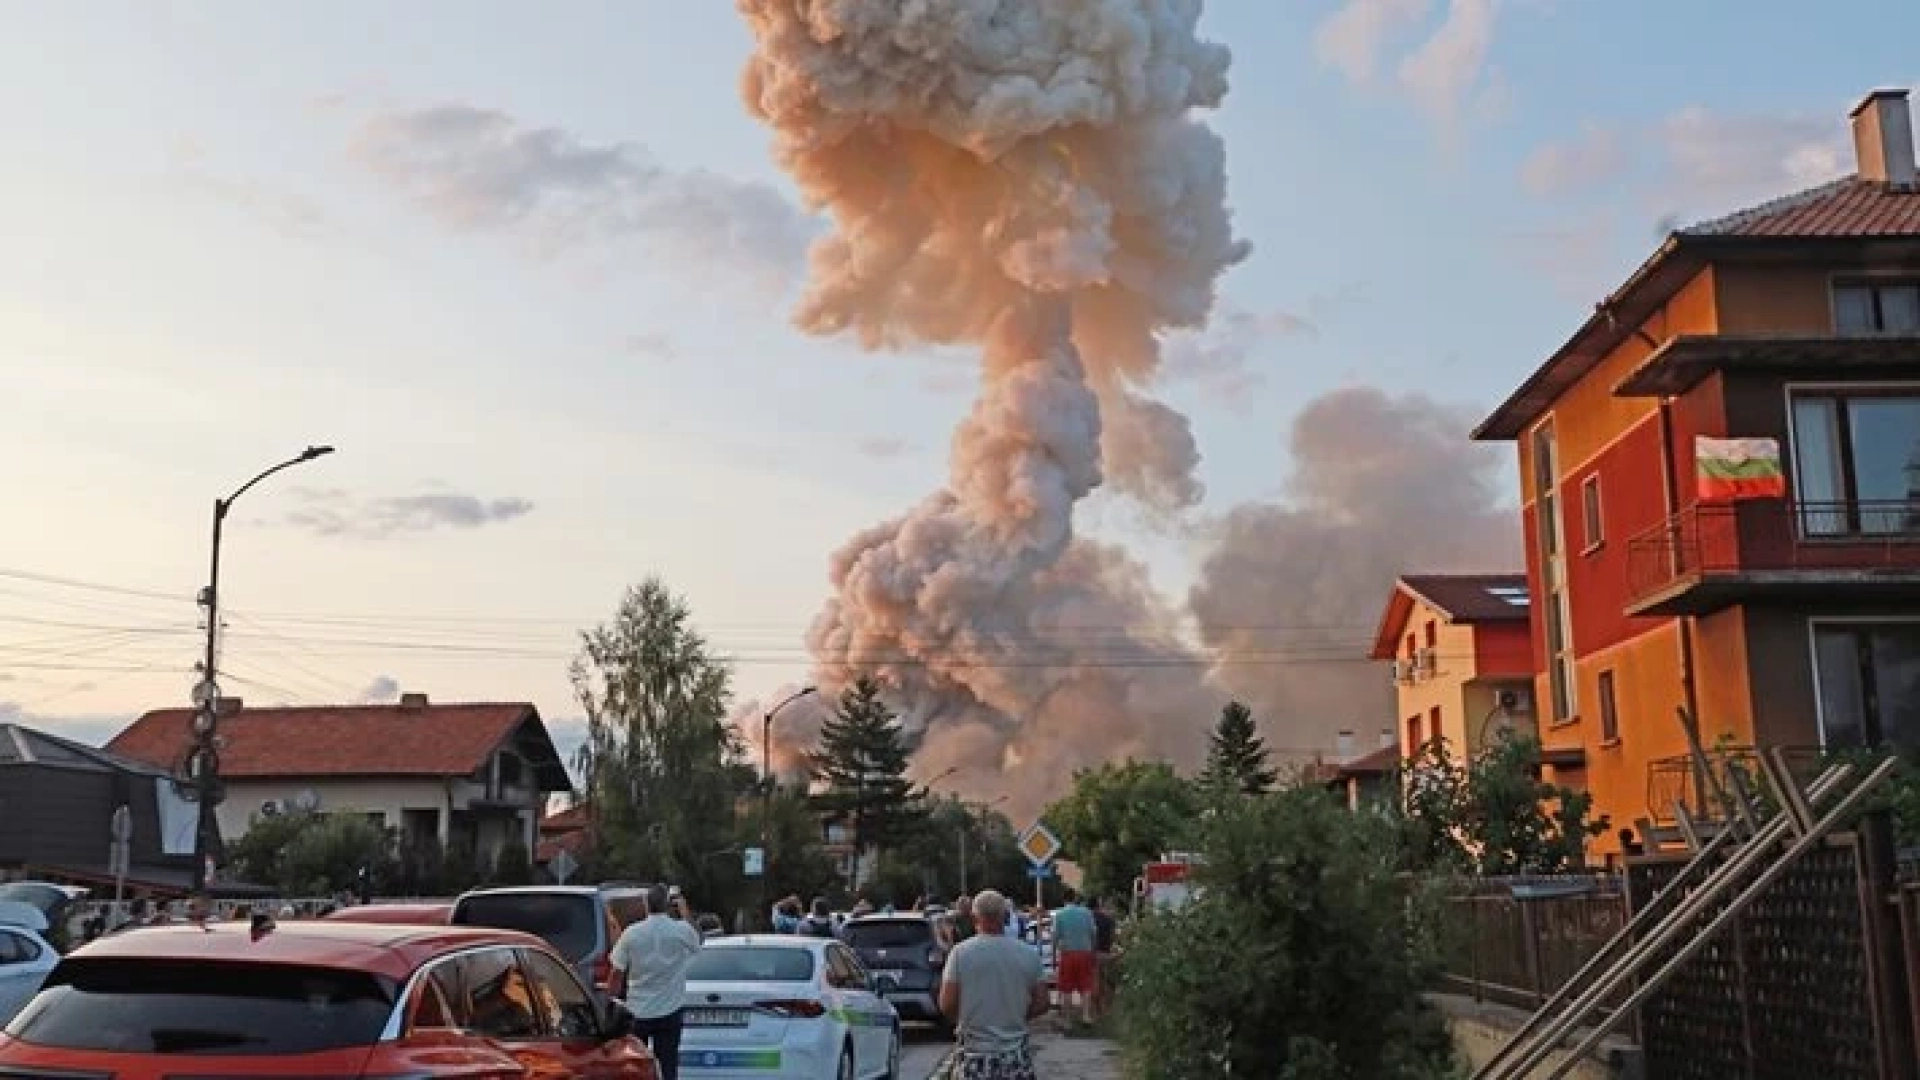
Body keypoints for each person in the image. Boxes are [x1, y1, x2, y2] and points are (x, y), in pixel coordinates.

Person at [939, 890, 1047, 1080]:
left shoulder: (960, 954)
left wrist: (965, 1018)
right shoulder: (1028, 954)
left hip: (974, 1055)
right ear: (1005, 916)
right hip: (1015, 1056)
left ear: (974, 917)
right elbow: (1042, 1002)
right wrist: (1018, 1015)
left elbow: (946, 1004)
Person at [608, 884, 704, 1080]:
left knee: (635, 1066)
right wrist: (685, 912)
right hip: (670, 1010)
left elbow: (616, 972)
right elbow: (699, 941)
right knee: (668, 1064)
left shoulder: (632, 933)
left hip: (638, 1010)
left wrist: (610, 1002)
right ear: (669, 905)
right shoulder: (681, 930)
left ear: (646, 905)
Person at [1050, 889, 1097, 1027]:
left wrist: (1054, 956)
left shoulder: (1060, 915)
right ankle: (1086, 1016)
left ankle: (1068, 1020)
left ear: (1064, 899)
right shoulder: (1086, 913)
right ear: (1075, 898)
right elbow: (1093, 933)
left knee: (1066, 988)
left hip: (1068, 953)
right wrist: (1092, 951)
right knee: (1086, 986)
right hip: (1085, 952)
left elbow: (1055, 937)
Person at [1088, 895, 1118, 1020]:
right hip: (1106, 954)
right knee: (1108, 983)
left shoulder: (1088, 919)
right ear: (1099, 905)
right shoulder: (1109, 920)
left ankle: (1096, 1011)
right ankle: (1108, 1010)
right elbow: (1113, 937)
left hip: (1092, 954)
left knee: (1095, 983)